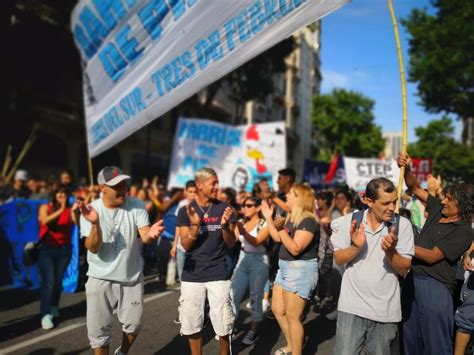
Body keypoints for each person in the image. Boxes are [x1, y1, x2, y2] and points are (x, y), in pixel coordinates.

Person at [78, 166, 164, 355]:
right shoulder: (91, 210)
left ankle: (122, 352)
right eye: (117, 186)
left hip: (130, 276)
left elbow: (145, 236)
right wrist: (95, 224)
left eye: (124, 184)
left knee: (134, 325)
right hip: (100, 278)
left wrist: (150, 234)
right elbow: (93, 247)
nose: (124, 189)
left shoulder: (137, 205)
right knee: (99, 332)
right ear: (103, 188)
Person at [397, 153, 474, 355]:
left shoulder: (464, 230)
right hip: (412, 280)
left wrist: (402, 243)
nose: (444, 201)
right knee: (409, 341)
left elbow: (432, 256)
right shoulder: (437, 208)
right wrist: (407, 168)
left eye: (449, 199)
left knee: (436, 345)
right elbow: (414, 187)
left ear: (462, 205)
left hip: (436, 288)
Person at [332, 177, 414, 354]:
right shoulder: (350, 221)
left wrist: (391, 251)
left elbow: (404, 268)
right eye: (385, 203)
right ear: (368, 201)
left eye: (394, 202)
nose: (392, 207)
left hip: (385, 312)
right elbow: (338, 259)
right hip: (351, 307)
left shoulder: (403, 225)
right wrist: (355, 247)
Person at [176, 168, 237, 355]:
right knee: (192, 322)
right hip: (192, 275)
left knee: (223, 323)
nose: (217, 187)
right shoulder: (186, 210)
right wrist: (195, 226)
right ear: (200, 185)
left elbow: (231, 242)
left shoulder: (225, 209)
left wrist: (226, 227)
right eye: (213, 183)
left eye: (217, 182)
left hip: (218, 272)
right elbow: (186, 245)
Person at [261, 184, 320, 355]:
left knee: (293, 317)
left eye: (290, 194)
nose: (286, 196)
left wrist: (280, 229)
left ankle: (296, 352)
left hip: (300, 270)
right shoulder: (291, 217)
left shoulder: (308, 220)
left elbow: (295, 248)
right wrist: (269, 217)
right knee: (277, 310)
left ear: (299, 198)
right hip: (285, 268)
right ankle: (292, 346)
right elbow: (277, 237)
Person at [231, 196, 270, 345]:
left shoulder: (264, 223)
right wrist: (231, 226)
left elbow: (257, 241)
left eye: (248, 205)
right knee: (233, 292)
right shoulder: (242, 223)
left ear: (258, 208)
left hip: (259, 260)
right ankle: (232, 324)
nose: (245, 208)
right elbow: (233, 240)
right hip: (243, 257)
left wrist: (243, 232)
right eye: (243, 205)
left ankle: (254, 330)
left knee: (255, 295)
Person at [37, 187, 78, 330]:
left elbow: (77, 224)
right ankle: (45, 314)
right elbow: (45, 220)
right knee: (49, 282)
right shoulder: (45, 207)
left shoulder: (69, 209)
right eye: (59, 193)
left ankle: (54, 305)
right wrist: (61, 209)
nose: (62, 195)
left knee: (57, 281)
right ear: (54, 195)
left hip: (64, 250)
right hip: (46, 251)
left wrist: (74, 211)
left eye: (65, 193)